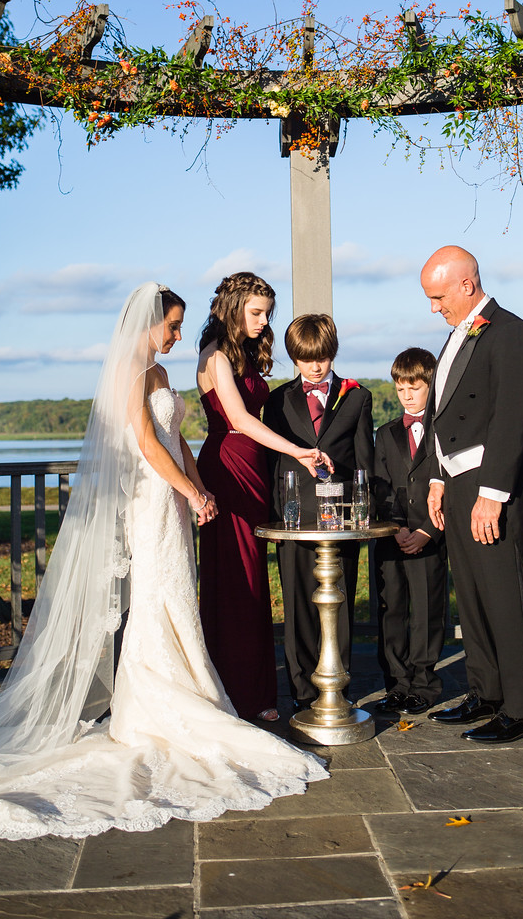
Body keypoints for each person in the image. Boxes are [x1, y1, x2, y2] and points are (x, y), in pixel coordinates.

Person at [0, 283, 327, 839]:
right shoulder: (130, 375)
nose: (178, 335)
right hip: (150, 499)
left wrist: (196, 483)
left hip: (174, 495)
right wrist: (190, 493)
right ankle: (155, 704)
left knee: (178, 594)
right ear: (148, 324)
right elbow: (143, 440)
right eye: (172, 325)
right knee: (158, 596)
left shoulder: (161, 375)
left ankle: (174, 694)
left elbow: (178, 436)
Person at [419, 246, 523, 743]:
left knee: (505, 597)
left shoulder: (513, 333)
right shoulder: (457, 334)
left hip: (493, 485)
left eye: (438, 296)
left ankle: (522, 710)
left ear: (466, 285)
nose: (434, 307)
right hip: (455, 484)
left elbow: (514, 419)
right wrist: (435, 479)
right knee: (471, 595)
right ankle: (486, 693)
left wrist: (492, 494)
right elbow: (440, 416)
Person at [196, 274, 331, 723]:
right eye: (256, 312)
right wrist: (297, 450)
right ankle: (238, 693)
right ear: (232, 308)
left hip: (253, 466)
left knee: (253, 581)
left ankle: (253, 689)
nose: (263, 321)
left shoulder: (242, 354)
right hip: (229, 465)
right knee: (237, 582)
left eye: (267, 313)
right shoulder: (215, 356)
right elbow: (237, 417)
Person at [263, 314, 374, 711]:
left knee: (339, 600)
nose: (315, 366)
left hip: (341, 513)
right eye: (306, 359)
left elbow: (365, 459)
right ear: (294, 358)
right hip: (293, 517)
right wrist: (275, 518)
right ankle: (302, 689)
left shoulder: (358, 396)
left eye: (323, 358)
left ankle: (338, 684)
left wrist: (365, 513)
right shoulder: (277, 400)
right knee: (297, 602)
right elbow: (271, 462)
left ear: (333, 353)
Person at [372, 347, 447, 717]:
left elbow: (451, 484)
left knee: (427, 611)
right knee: (393, 611)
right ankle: (397, 684)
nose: (407, 395)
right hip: (392, 537)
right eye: (400, 388)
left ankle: (423, 683)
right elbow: (380, 485)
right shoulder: (385, 435)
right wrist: (397, 527)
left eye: (414, 388)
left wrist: (427, 531)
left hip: (431, 537)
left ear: (430, 387)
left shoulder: (445, 431)